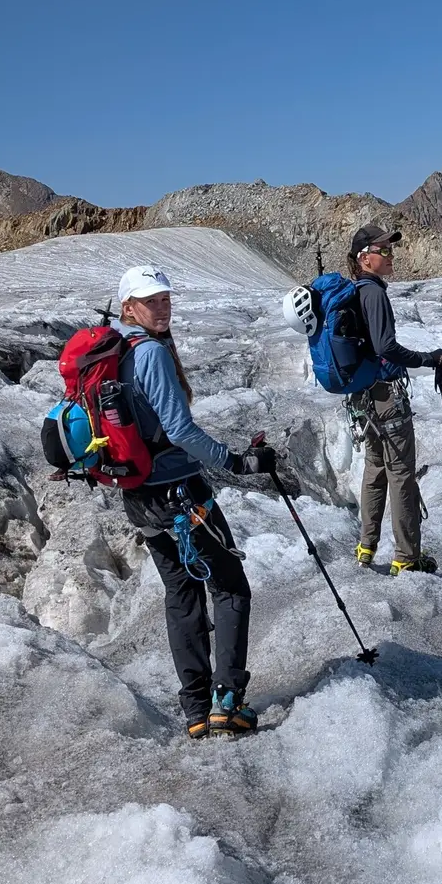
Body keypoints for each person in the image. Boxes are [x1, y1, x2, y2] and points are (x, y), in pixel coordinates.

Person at [111, 264, 277, 738]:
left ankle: (196, 713)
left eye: (165, 298)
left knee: (181, 596)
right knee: (229, 587)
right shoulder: (152, 355)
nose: (162, 307)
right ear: (129, 308)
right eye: (151, 301)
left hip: (140, 497)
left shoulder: (119, 353)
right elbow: (180, 430)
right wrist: (235, 462)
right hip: (182, 494)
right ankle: (227, 702)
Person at [343, 222, 442, 575]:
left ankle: (366, 546)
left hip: (364, 398)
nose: (390, 256)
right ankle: (406, 556)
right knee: (401, 474)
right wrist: (426, 358)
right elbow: (385, 347)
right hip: (386, 396)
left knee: (375, 469)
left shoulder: (358, 291)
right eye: (383, 251)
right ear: (364, 257)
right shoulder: (373, 293)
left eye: (390, 250)